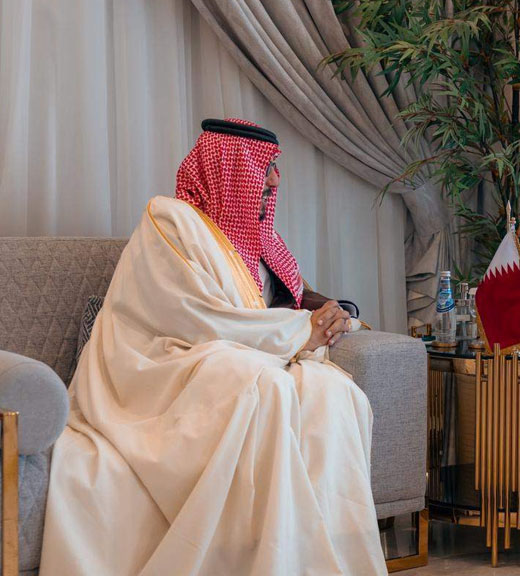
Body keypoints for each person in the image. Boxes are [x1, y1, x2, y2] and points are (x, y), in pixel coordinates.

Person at [39, 119, 388, 575]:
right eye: (265, 168)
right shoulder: (170, 220)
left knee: (333, 393)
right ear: (229, 170)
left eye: (276, 168)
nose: (275, 180)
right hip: (159, 365)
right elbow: (197, 318)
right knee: (265, 387)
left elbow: (294, 299)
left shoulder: (260, 243)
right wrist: (300, 332)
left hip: (233, 356)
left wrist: (333, 316)